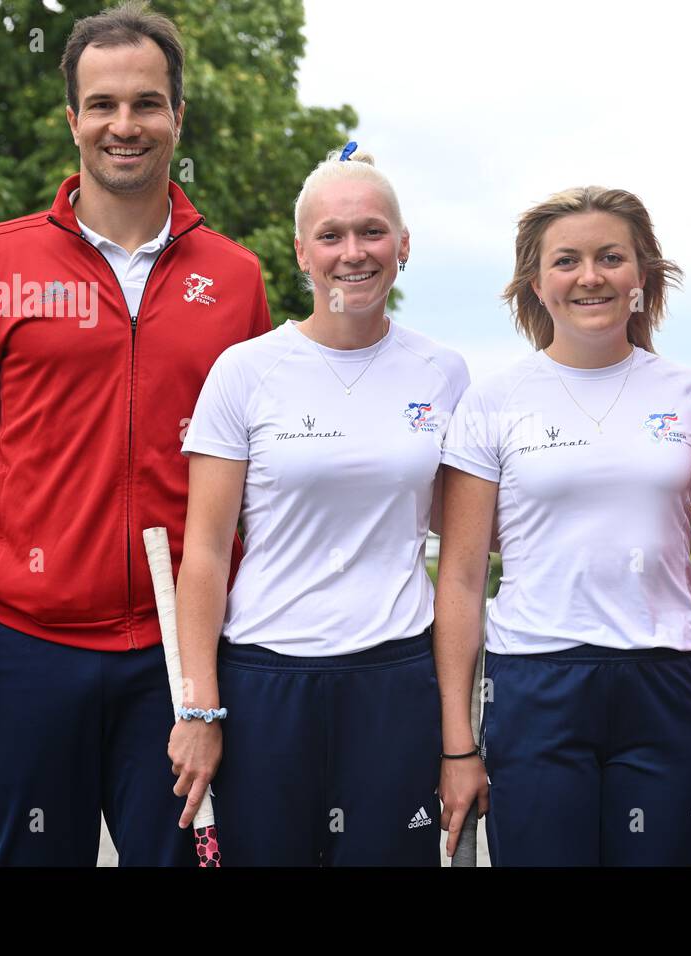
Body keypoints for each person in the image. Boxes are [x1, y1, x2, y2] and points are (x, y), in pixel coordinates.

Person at [0, 1, 271, 866]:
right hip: (29, 654)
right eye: (102, 104)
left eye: (146, 102)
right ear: (72, 120)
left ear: (178, 115)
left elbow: (268, 470)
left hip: (186, 663)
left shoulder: (237, 278)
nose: (124, 124)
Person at [167, 146, 470, 866]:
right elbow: (205, 551)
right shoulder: (245, 372)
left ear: (403, 245)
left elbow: (465, 552)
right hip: (266, 681)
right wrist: (199, 706)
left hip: (395, 680)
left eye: (372, 232)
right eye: (331, 236)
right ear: (301, 252)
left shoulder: (445, 372)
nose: (353, 252)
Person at [435, 186, 691, 866]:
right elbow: (458, 576)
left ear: (643, 276)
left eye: (611, 257)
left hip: (667, 683)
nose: (590, 276)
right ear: (536, 283)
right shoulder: (493, 402)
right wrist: (458, 740)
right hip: (537, 685)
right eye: (566, 261)